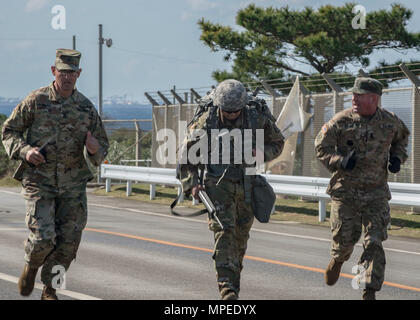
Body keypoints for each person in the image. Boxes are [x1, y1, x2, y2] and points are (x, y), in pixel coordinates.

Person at [1, 49, 109, 300]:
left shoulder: (85, 108)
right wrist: (25, 151)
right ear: (54, 71)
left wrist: (94, 148)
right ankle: (31, 266)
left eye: (72, 72)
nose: (68, 77)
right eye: (63, 72)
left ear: (79, 74)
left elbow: (102, 145)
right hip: (40, 181)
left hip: (72, 184)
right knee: (43, 240)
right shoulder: (36, 100)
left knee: (68, 245)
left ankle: (50, 290)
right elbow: (8, 131)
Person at [178, 79, 284, 300]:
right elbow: (185, 157)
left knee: (240, 239)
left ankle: (233, 285)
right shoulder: (206, 122)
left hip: (248, 184)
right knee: (224, 232)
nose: (232, 115)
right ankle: (227, 288)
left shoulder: (256, 116)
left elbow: (278, 142)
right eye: (227, 111)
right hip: (218, 186)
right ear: (219, 107)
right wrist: (193, 184)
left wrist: (262, 154)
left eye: (236, 111)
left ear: (243, 106)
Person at [314, 77, 410, 300]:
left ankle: (368, 290)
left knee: (374, 241)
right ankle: (337, 260)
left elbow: (402, 141)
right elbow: (321, 147)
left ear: (374, 98)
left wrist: (397, 158)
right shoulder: (341, 121)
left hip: (376, 193)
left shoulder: (390, 121)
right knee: (344, 243)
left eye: (359, 95)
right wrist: (339, 161)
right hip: (346, 192)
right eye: (353, 94)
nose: (354, 98)